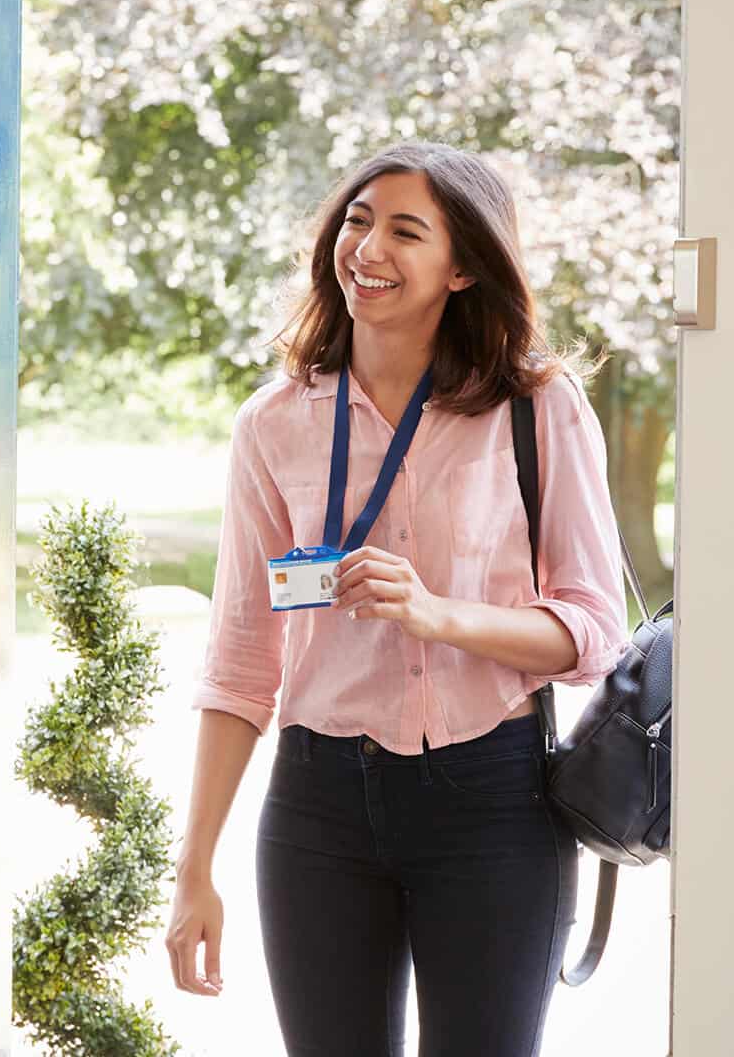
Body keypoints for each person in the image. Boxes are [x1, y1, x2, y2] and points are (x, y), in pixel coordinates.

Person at [163, 141, 631, 1057]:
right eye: (357, 221)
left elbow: (593, 631)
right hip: (317, 807)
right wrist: (194, 871)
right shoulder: (274, 422)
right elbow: (241, 662)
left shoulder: (537, 408)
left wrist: (436, 612)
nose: (367, 249)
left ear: (462, 269)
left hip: (492, 802)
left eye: (405, 231)